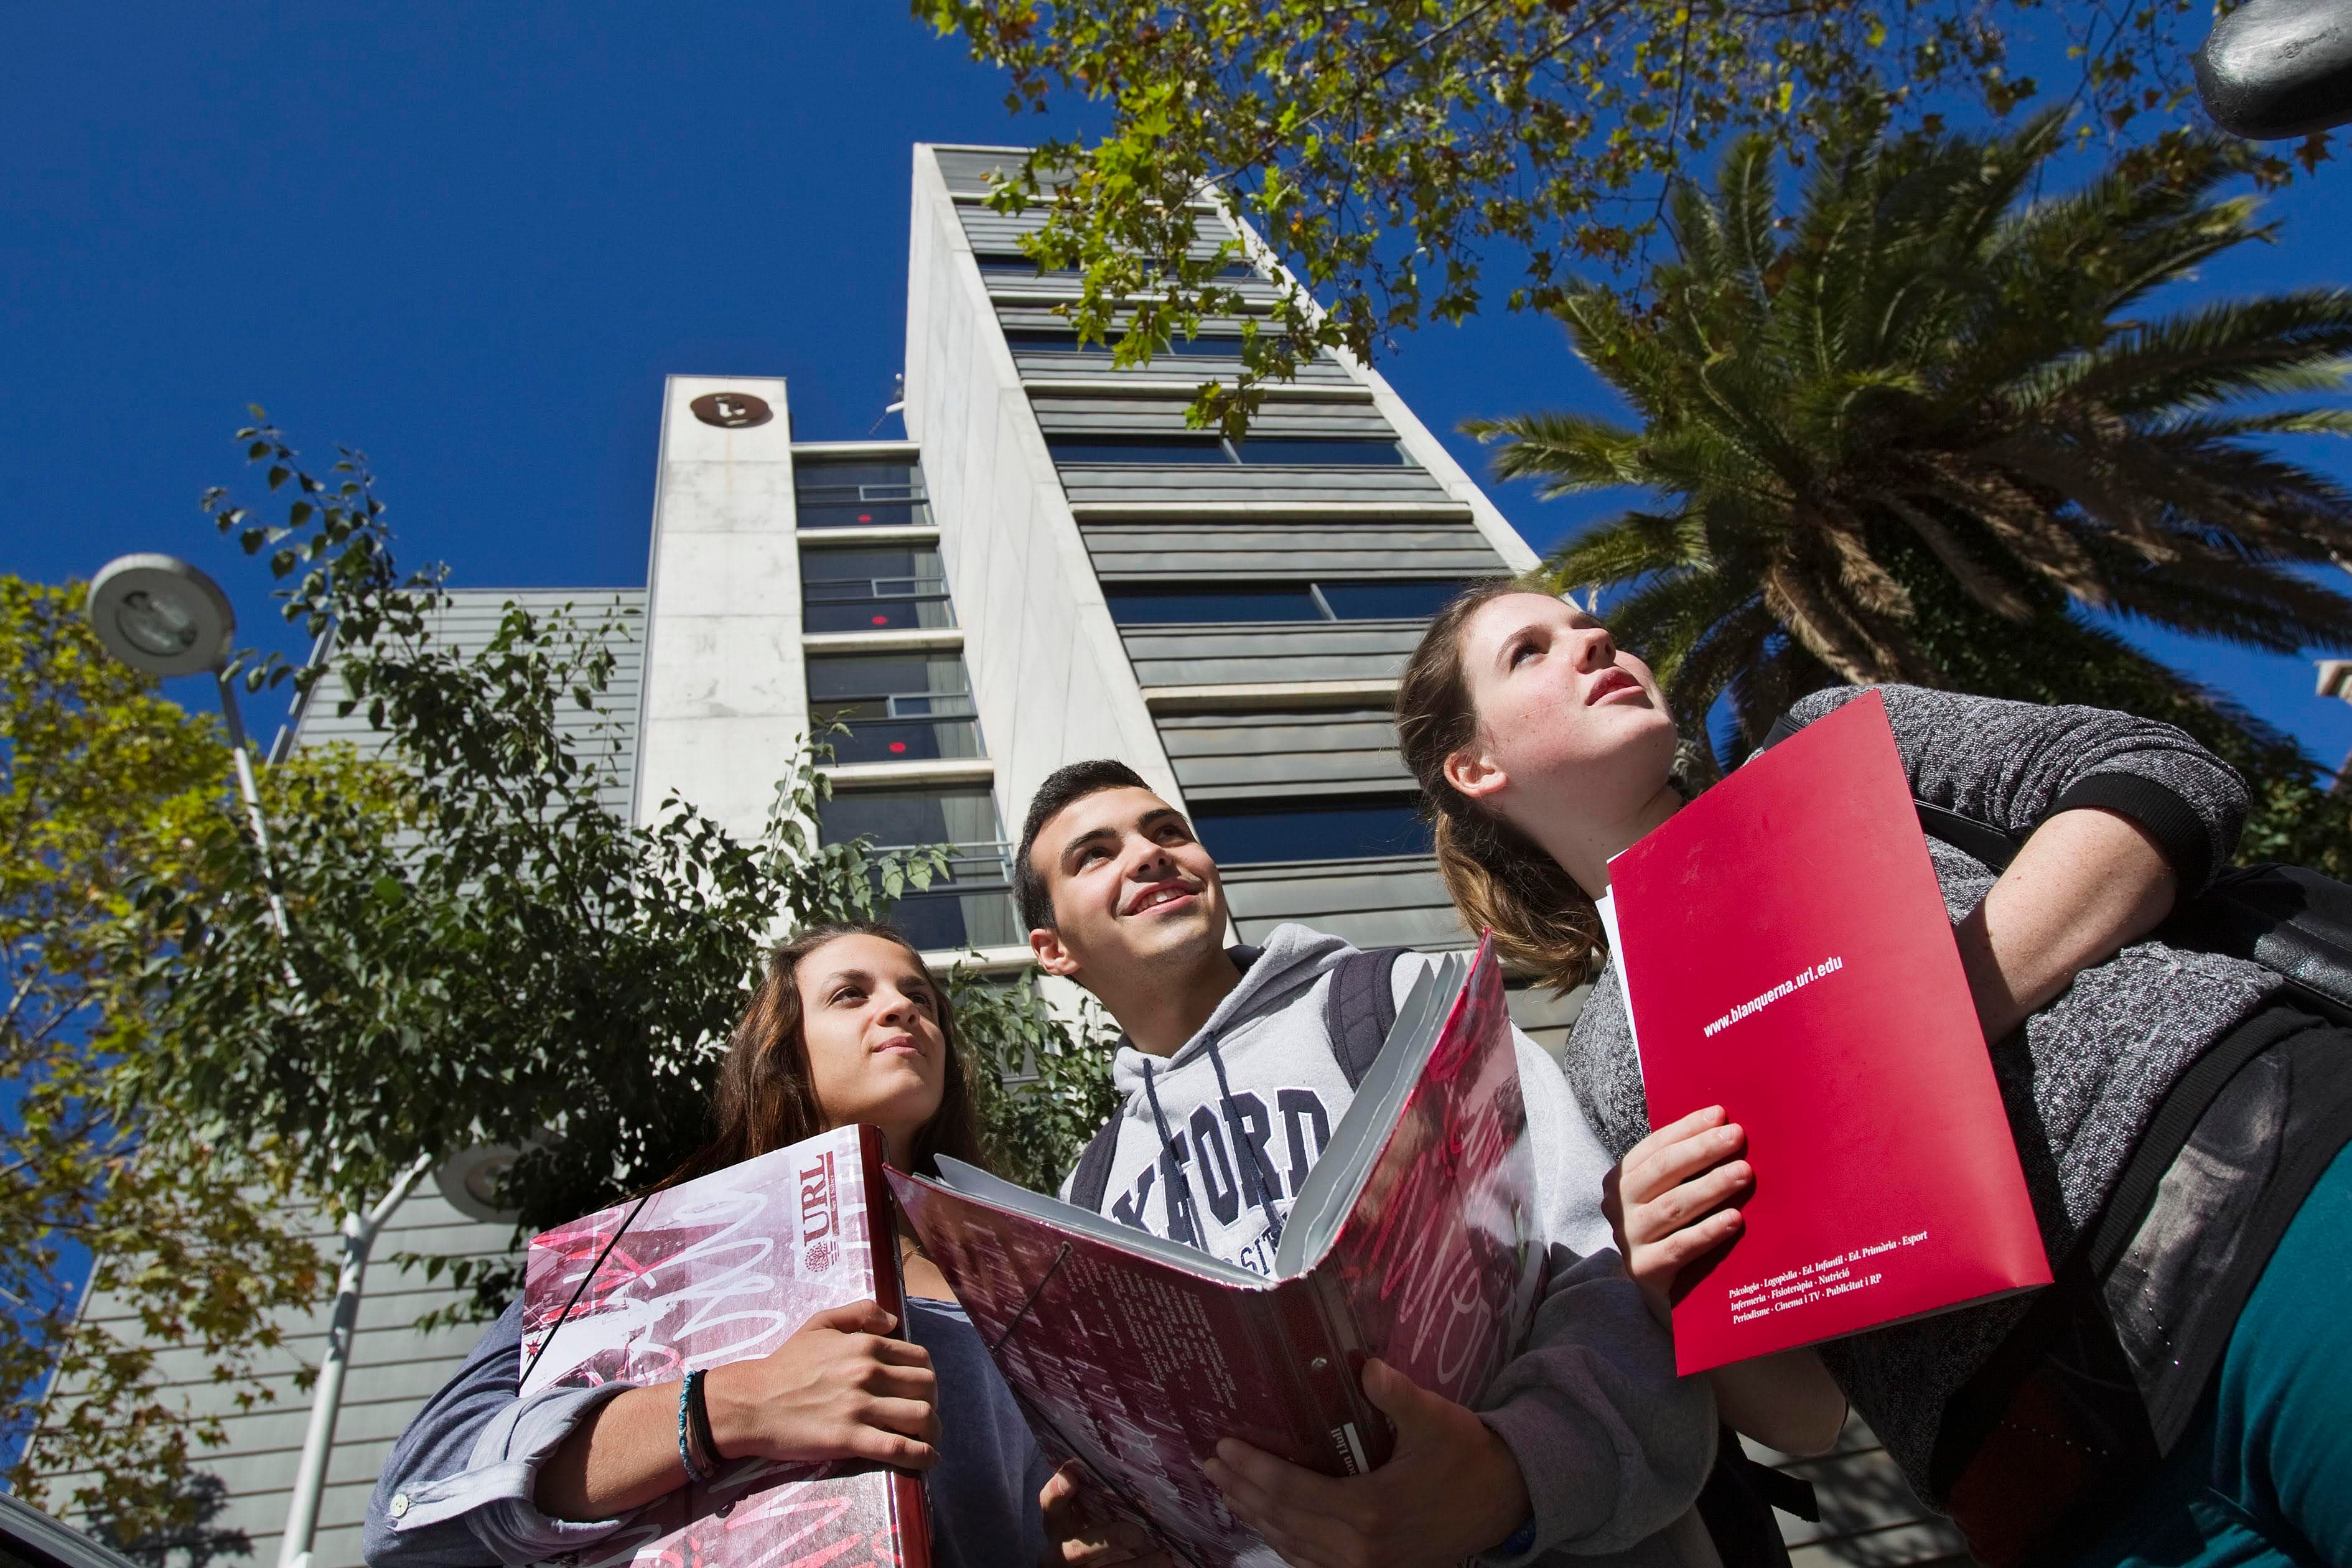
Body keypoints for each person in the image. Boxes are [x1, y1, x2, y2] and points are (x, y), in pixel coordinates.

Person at [1394, 578, 2352, 1568]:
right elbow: (1805, 1414)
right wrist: (1666, 1282)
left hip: (2262, 1216)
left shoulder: (1832, 740)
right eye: (1530, 651)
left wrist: (1924, 1015)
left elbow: (2159, 769)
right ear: (1475, 767)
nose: (1593, 642)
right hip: (2054, 1487)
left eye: (1592, 627)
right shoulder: (1601, 1064)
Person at [1011, 760, 1720, 1568]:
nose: (1149, 853)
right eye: (1094, 855)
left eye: (1168, 831)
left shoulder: (1405, 1003)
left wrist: (1507, 1479)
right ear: (1053, 949)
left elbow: (1603, 1267)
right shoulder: (1083, 1203)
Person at [363, 921, 1154, 1568]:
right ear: (783, 1051)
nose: (903, 1009)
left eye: (921, 997)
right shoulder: (652, 1250)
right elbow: (414, 1507)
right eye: (851, 995)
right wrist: (732, 1407)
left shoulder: (1028, 1280)